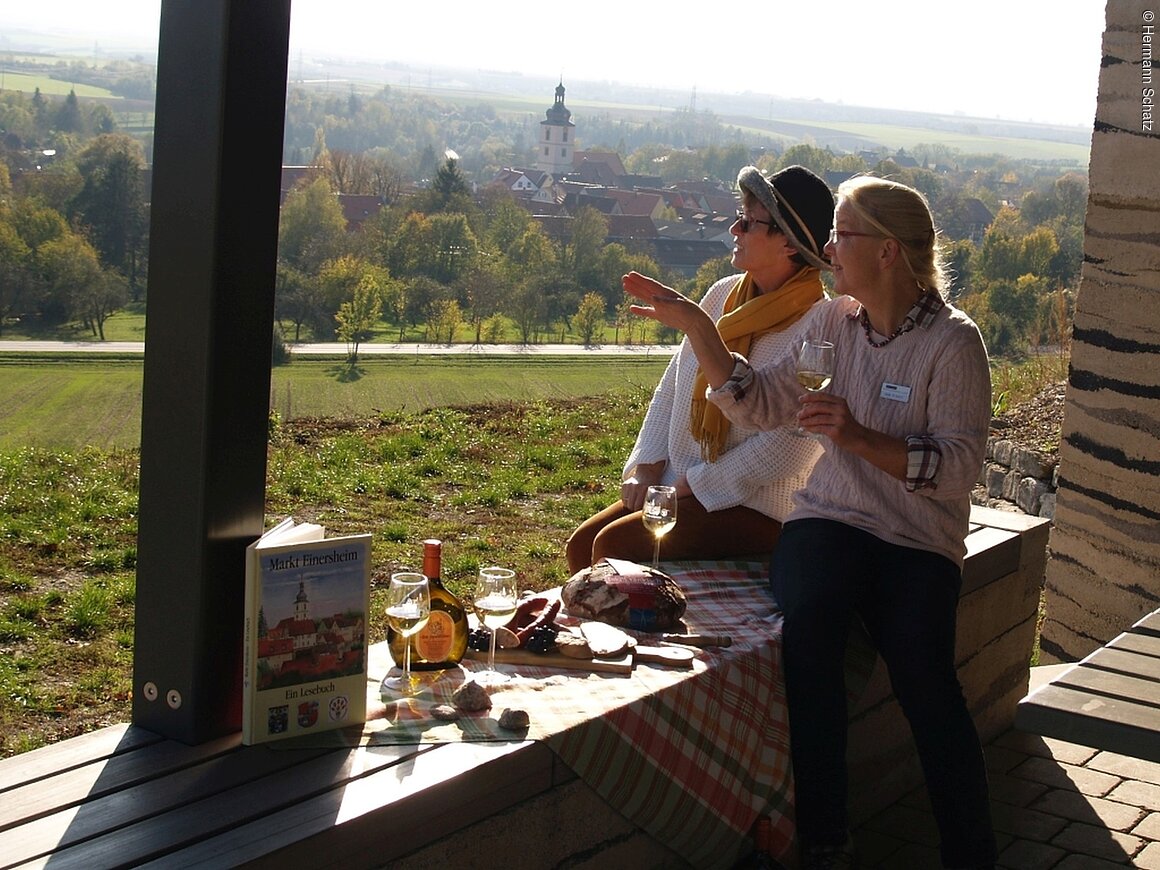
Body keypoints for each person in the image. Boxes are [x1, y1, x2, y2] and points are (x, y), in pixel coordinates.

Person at [623, 175, 997, 870]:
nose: (827, 248)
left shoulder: (954, 345)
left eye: (841, 236)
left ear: (887, 251)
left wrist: (860, 439)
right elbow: (763, 404)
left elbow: (957, 470)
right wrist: (700, 329)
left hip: (917, 540)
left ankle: (970, 855)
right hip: (828, 521)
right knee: (812, 632)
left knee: (926, 680)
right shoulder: (834, 324)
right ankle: (825, 840)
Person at [564, 165, 834, 575]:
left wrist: (687, 487)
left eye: (748, 221)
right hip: (678, 486)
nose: (733, 229)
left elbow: (786, 449)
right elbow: (672, 387)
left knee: (612, 547)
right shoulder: (722, 294)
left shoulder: (819, 326)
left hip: (755, 505)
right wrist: (647, 467)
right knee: (582, 547)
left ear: (790, 246)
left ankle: (635, 635)